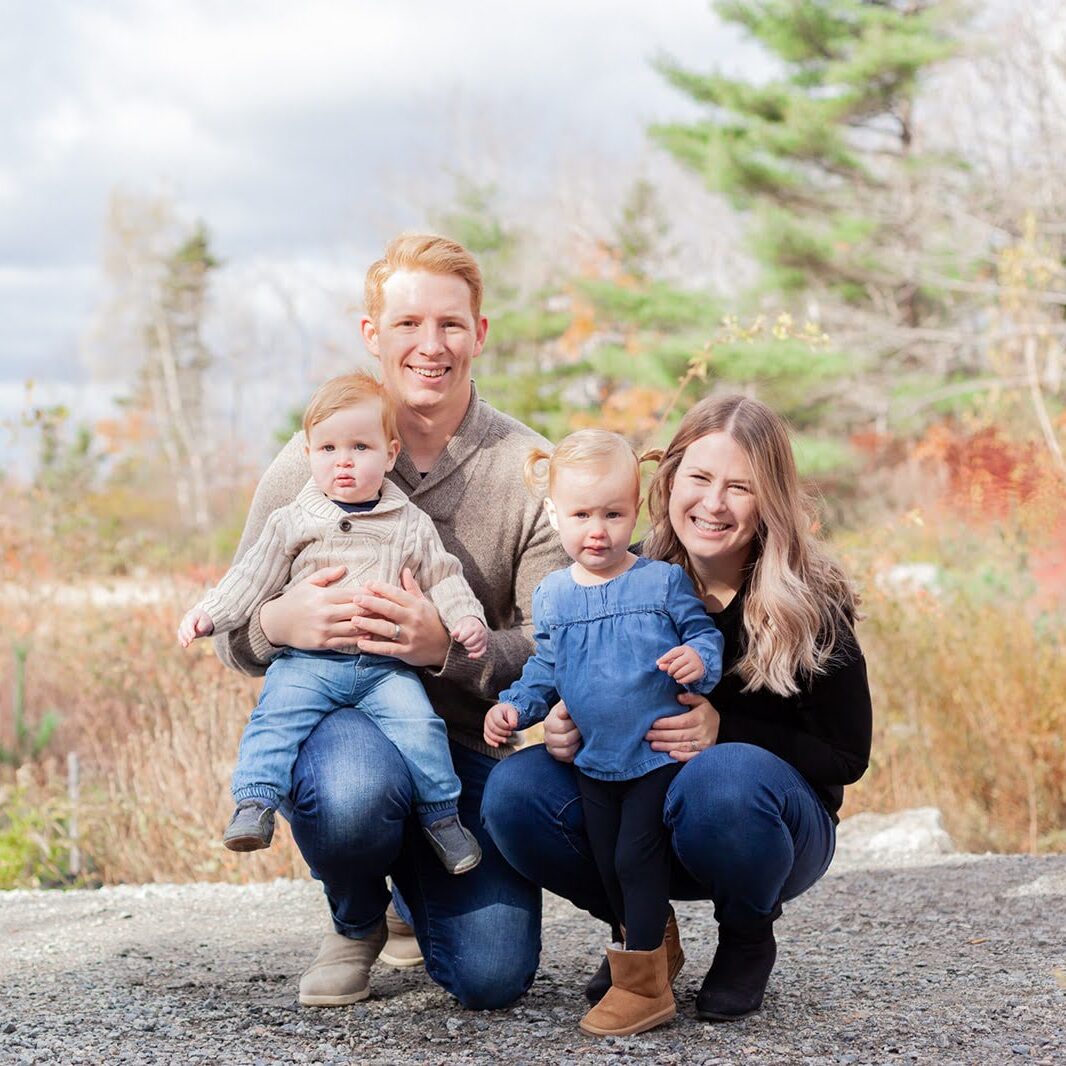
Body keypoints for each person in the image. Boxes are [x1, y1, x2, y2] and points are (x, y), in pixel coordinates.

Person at [214, 235, 568, 1008]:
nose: (430, 346)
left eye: (450, 324)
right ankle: (356, 918)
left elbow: (554, 645)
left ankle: (417, 895)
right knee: (348, 792)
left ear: (480, 333)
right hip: (346, 725)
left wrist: (444, 648)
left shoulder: (532, 469)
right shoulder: (309, 461)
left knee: (492, 977)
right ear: (373, 334)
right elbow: (235, 635)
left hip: (469, 745)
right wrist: (279, 622)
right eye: (408, 324)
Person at [483, 394, 873, 1023]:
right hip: (637, 806)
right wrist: (567, 717)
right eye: (699, 478)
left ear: (769, 498)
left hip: (761, 829)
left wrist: (727, 729)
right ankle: (644, 933)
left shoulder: (808, 602)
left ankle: (747, 940)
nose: (713, 503)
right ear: (667, 483)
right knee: (515, 790)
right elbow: (559, 667)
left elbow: (848, 758)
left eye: (739, 487)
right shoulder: (625, 575)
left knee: (722, 777)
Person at [178, 371, 487, 875]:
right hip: (308, 664)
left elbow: (444, 576)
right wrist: (209, 613)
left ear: (390, 455)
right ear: (307, 454)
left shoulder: (408, 522)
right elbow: (250, 578)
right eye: (327, 449)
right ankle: (255, 803)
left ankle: (443, 817)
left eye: (360, 447)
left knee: (421, 728)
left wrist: (465, 618)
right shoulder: (294, 519)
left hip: (385, 669)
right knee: (275, 719)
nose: (343, 461)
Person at [484, 429, 724, 1037]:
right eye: (582, 514)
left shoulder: (661, 582)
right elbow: (545, 669)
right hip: (595, 760)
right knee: (607, 864)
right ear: (553, 514)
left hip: (653, 753)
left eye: (614, 514)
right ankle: (645, 952)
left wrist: (699, 660)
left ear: (636, 512)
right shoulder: (555, 595)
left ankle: (643, 988)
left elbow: (704, 635)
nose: (599, 530)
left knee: (635, 858)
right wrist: (515, 706)